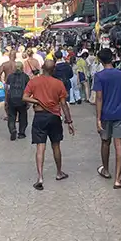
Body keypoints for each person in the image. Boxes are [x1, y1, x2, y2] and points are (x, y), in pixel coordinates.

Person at [23, 60, 75, 190]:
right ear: (53, 71)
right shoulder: (59, 84)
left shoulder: (34, 81)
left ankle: (40, 177)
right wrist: (69, 121)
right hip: (54, 117)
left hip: (39, 117)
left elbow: (24, 97)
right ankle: (59, 172)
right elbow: (63, 104)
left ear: (42, 68)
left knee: (40, 147)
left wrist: (36, 100)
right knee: (56, 145)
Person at [93, 48, 121, 189]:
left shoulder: (99, 76)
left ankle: (106, 170)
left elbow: (99, 97)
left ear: (100, 61)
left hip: (105, 114)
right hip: (119, 113)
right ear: (112, 58)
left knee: (105, 142)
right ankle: (118, 179)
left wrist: (98, 118)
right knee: (119, 144)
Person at [5, 61, 30, 140]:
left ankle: (13, 129)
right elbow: (28, 90)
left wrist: (6, 100)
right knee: (23, 116)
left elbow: (7, 89)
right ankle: (21, 133)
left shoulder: (10, 77)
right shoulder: (25, 77)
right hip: (22, 100)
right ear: (22, 68)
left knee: (11, 116)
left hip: (11, 99)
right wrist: (28, 101)